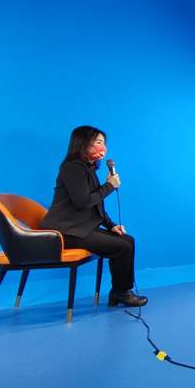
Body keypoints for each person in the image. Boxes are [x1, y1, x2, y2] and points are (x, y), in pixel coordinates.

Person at [40, 126, 147, 307]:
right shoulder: (72, 168)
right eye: (98, 142)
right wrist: (109, 186)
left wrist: (111, 225)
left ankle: (120, 291)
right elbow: (83, 203)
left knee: (127, 240)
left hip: (79, 228)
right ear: (83, 143)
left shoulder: (88, 169)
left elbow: (95, 205)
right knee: (121, 246)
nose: (103, 147)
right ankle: (121, 293)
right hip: (65, 231)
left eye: (104, 143)